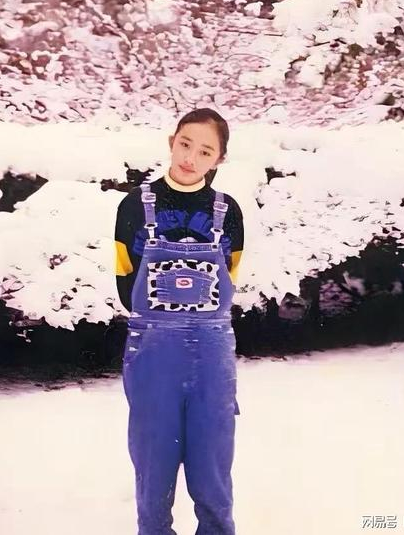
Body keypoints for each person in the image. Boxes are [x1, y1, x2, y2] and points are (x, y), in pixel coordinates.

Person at [114, 107, 244, 535]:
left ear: (219, 159)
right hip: (154, 353)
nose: (191, 157)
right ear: (172, 142)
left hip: (211, 355)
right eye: (185, 144)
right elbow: (125, 280)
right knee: (154, 463)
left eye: (205, 151)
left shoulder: (228, 211)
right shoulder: (134, 206)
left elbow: (230, 278)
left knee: (213, 463)